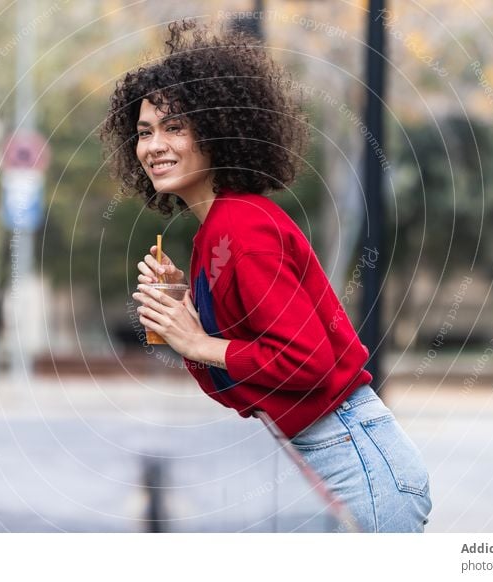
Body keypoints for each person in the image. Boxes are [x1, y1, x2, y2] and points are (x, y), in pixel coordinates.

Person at [101, 20, 431, 532]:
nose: (153, 146)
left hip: (359, 463)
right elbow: (240, 388)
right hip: (329, 455)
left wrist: (202, 343)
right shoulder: (214, 235)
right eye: (144, 132)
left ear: (217, 131)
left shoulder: (244, 226)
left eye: (174, 127)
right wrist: (183, 328)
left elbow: (309, 362)